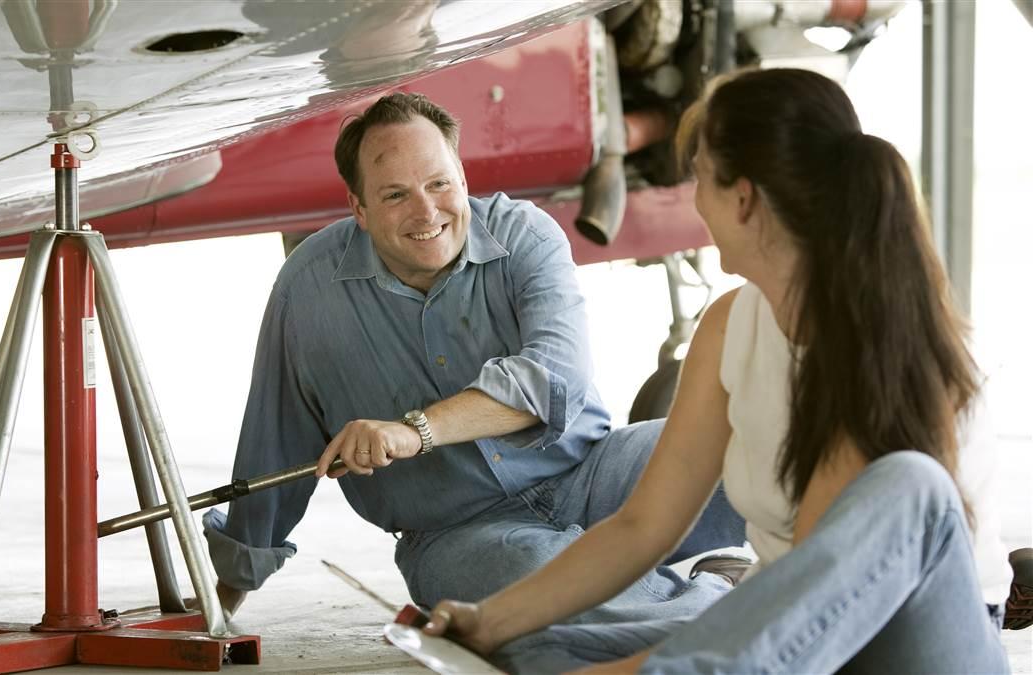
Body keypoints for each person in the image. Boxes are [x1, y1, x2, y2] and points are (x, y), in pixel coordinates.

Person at [423, 68, 1014, 673]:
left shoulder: (888, 339)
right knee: (533, 647)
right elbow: (641, 528)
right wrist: (489, 621)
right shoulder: (732, 326)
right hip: (775, 643)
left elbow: (814, 609)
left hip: (905, 645)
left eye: (700, 178)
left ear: (744, 197)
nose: (694, 199)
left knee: (912, 483)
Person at [201, 92, 746, 622]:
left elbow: (554, 380)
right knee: (538, 580)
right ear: (359, 209)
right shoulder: (309, 289)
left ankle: (682, 614)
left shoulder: (526, 235)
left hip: (592, 473)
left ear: (463, 178)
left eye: (440, 183)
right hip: (456, 534)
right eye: (394, 195)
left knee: (752, 447)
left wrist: (414, 431)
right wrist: (226, 595)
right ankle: (722, 600)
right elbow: (275, 439)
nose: (426, 210)